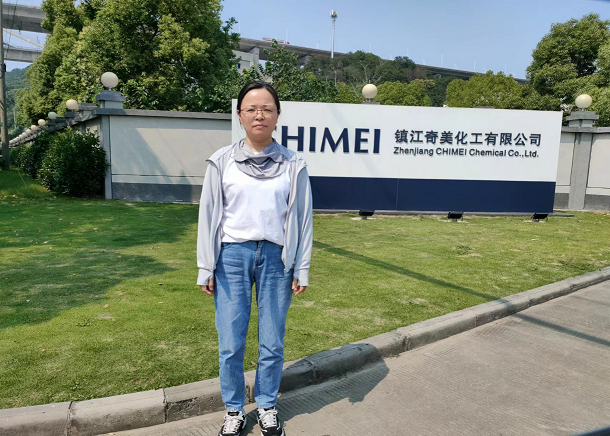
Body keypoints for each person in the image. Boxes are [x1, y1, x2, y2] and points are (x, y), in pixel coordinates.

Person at [197, 82, 313, 436]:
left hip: (277, 259)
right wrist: (206, 265)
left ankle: (266, 405)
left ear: (277, 116)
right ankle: (234, 410)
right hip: (231, 256)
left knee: (272, 340)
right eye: (251, 109)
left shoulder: (293, 163)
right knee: (231, 341)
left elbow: (303, 219)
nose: (259, 114)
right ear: (240, 115)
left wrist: (302, 266)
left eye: (267, 108)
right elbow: (208, 215)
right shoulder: (221, 161)